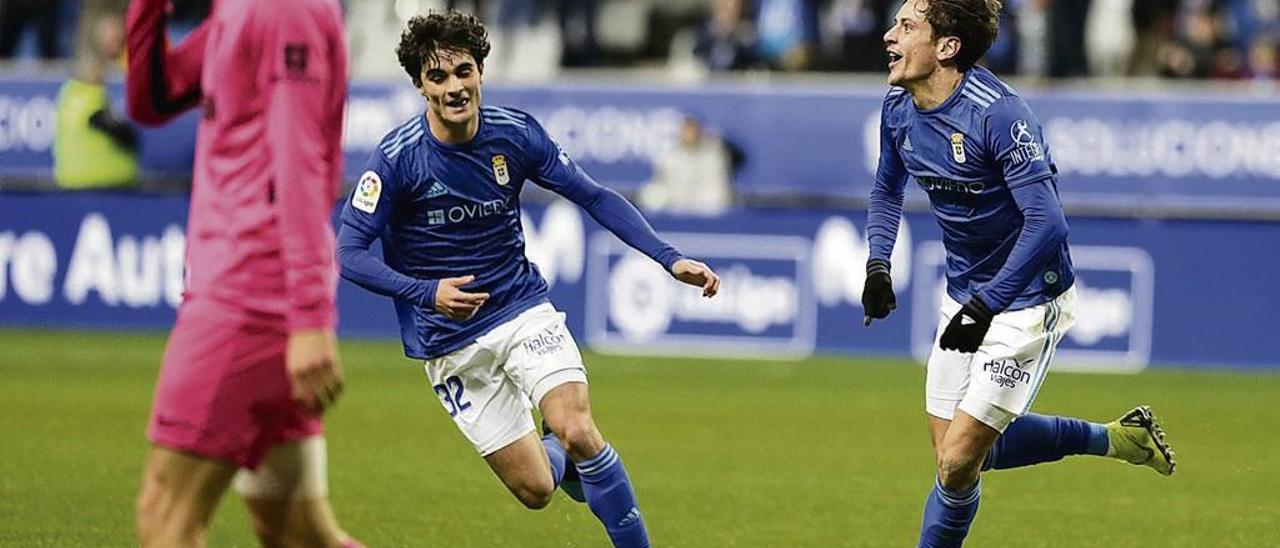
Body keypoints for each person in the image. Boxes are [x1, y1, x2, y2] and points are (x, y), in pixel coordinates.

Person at [337, 11, 720, 548]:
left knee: (579, 428)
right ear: (420, 85)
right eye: (439, 78)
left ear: (481, 71)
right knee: (537, 488)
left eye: (464, 71)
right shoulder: (397, 160)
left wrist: (668, 257)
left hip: (520, 309)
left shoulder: (514, 135)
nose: (455, 88)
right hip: (448, 342)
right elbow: (349, 254)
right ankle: (558, 455)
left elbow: (593, 195)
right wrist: (428, 293)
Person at [861, 1, 1176, 546]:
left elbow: (1048, 222)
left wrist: (987, 307)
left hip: (1029, 298)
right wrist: (878, 263)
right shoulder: (898, 107)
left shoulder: (999, 114)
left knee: (958, 458)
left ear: (946, 47)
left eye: (906, 26)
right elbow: (888, 189)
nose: (889, 36)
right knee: (956, 459)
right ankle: (1117, 439)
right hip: (964, 292)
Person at [124, 0, 362, 546]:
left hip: (250, 298)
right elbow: (151, 99)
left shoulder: (283, 8)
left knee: (165, 517)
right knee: (298, 532)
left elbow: (298, 162)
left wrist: (307, 314)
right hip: (252, 293)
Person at [54, 13, 139, 190]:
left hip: (93, 184)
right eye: (110, 40)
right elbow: (122, 134)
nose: (114, 46)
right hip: (98, 185)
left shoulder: (74, 92)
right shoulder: (85, 94)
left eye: (119, 39)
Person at [638, 115, 733, 217]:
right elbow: (659, 186)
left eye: (692, 131)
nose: (688, 135)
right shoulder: (671, 157)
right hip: (675, 214)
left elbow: (716, 192)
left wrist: (701, 212)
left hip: (708, 215)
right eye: (685, 131)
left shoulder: (713, 157)